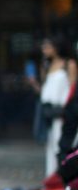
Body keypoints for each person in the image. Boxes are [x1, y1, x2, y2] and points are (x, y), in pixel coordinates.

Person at [29, 36, 75, 176]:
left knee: (65, 147)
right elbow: (45, 90)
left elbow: (73, 89)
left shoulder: (69, 64)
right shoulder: (46, 65)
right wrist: (33, 83)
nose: (44, 49)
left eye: (47, 46)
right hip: (48, 113)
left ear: (56, 48)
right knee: (51, 147)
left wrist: (69, 110)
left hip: (64, 113)